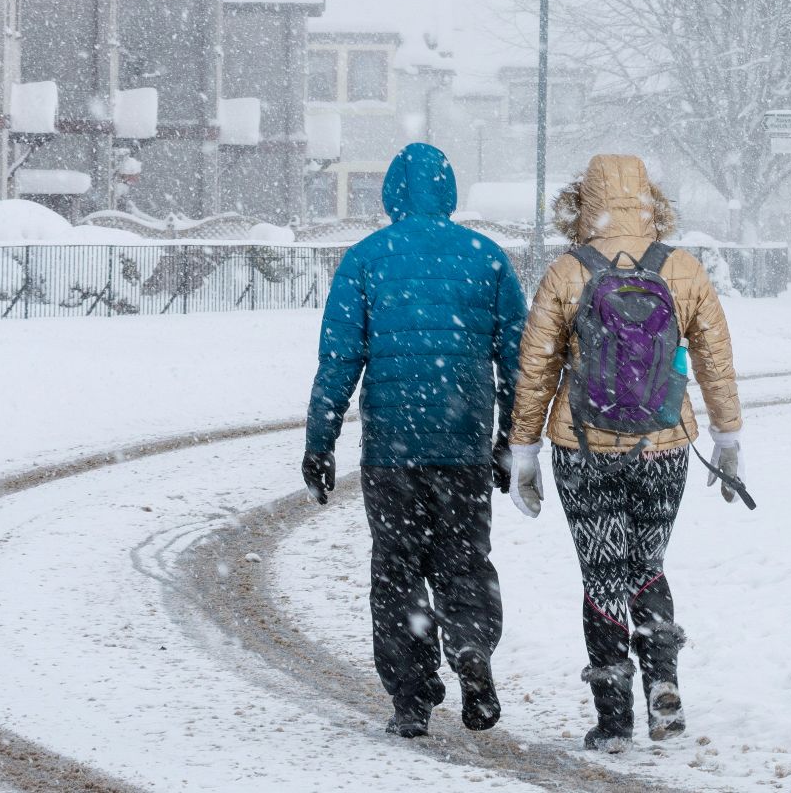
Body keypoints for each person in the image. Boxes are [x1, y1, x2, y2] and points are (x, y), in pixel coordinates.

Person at [506, 154, 746, 753]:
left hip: (582, 447)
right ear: (651, 201)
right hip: (664, 446)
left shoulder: (568, 271)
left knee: (602, 574)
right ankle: (663, 685)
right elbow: (716, 360)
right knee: (648, 565)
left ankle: (613, 718)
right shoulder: (683, 268)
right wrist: (728, 438)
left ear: (582, 203)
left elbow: (535, 368)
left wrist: (524, 450)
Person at [302, 142, 527, 739]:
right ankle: (472, 650)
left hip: (392, 448)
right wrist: (511, 439)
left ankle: (411, 695)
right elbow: (519, 362)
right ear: (449, 191)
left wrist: (319, 442)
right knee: (464, 562)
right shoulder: (487, 258)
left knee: (397, 569)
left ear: (392, 194)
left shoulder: (366, 259)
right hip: (464, 443)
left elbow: (339, 359)